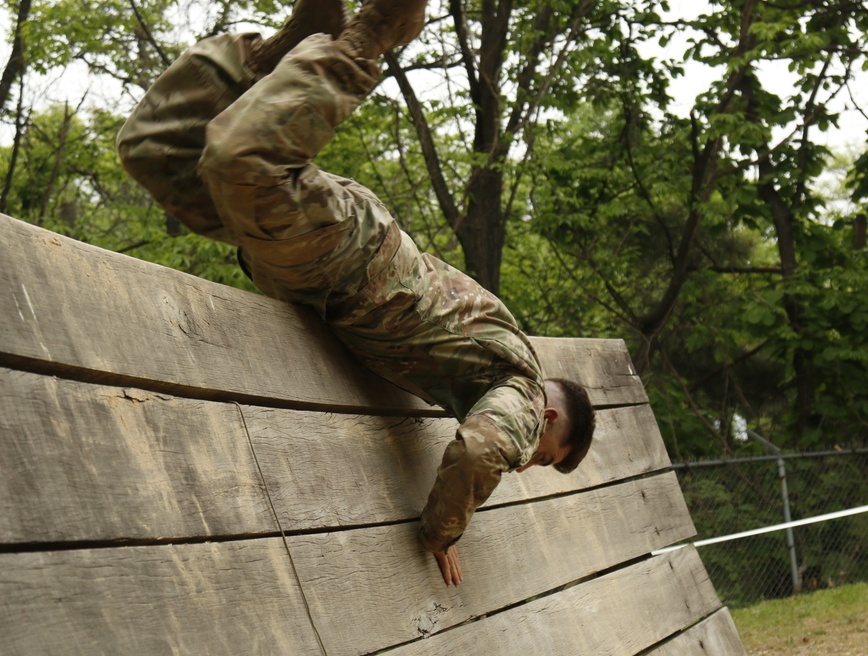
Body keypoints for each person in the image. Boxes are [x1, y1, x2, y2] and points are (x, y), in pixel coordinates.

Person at [116, 0, 595, 586]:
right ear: (547, 417)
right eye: (545, 454)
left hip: (331, 260)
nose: (531, 463)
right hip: (348, 263)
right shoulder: (523, 388)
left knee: (154, 149)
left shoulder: (497, 351)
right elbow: (481, 452)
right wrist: (441, 530)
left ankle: (278, 52)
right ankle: (366, 38)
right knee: (240, 161)